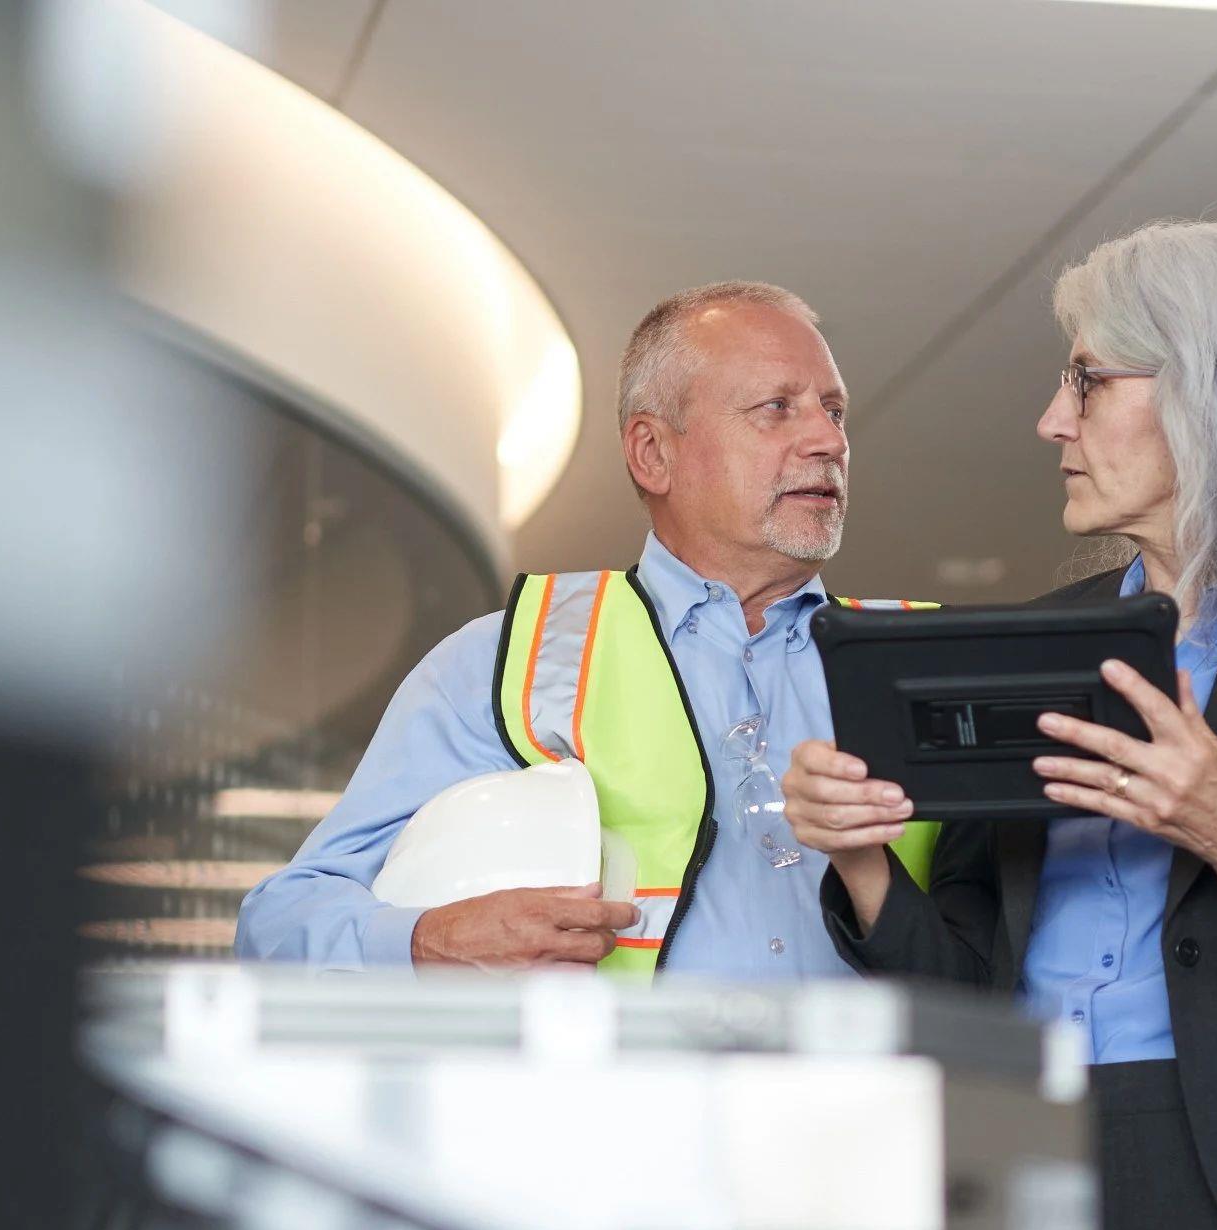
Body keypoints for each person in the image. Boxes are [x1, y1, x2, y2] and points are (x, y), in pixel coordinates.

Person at [782, 220, 1217, 1230]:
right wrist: (862, 862)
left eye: (1088, 381)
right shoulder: (1029, 641)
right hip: (1018, 1169)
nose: (1051, 419)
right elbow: (962, 988)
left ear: (1211, 392)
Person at [237, 281, 936, 977]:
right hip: (614, 1057)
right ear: (652, 453)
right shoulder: (506, 663)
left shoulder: (929, 664)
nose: (828, 440)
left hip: (891, 1057)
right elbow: (277, 924)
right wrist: (432, 939)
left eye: (834, 411)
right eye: (776, 408)